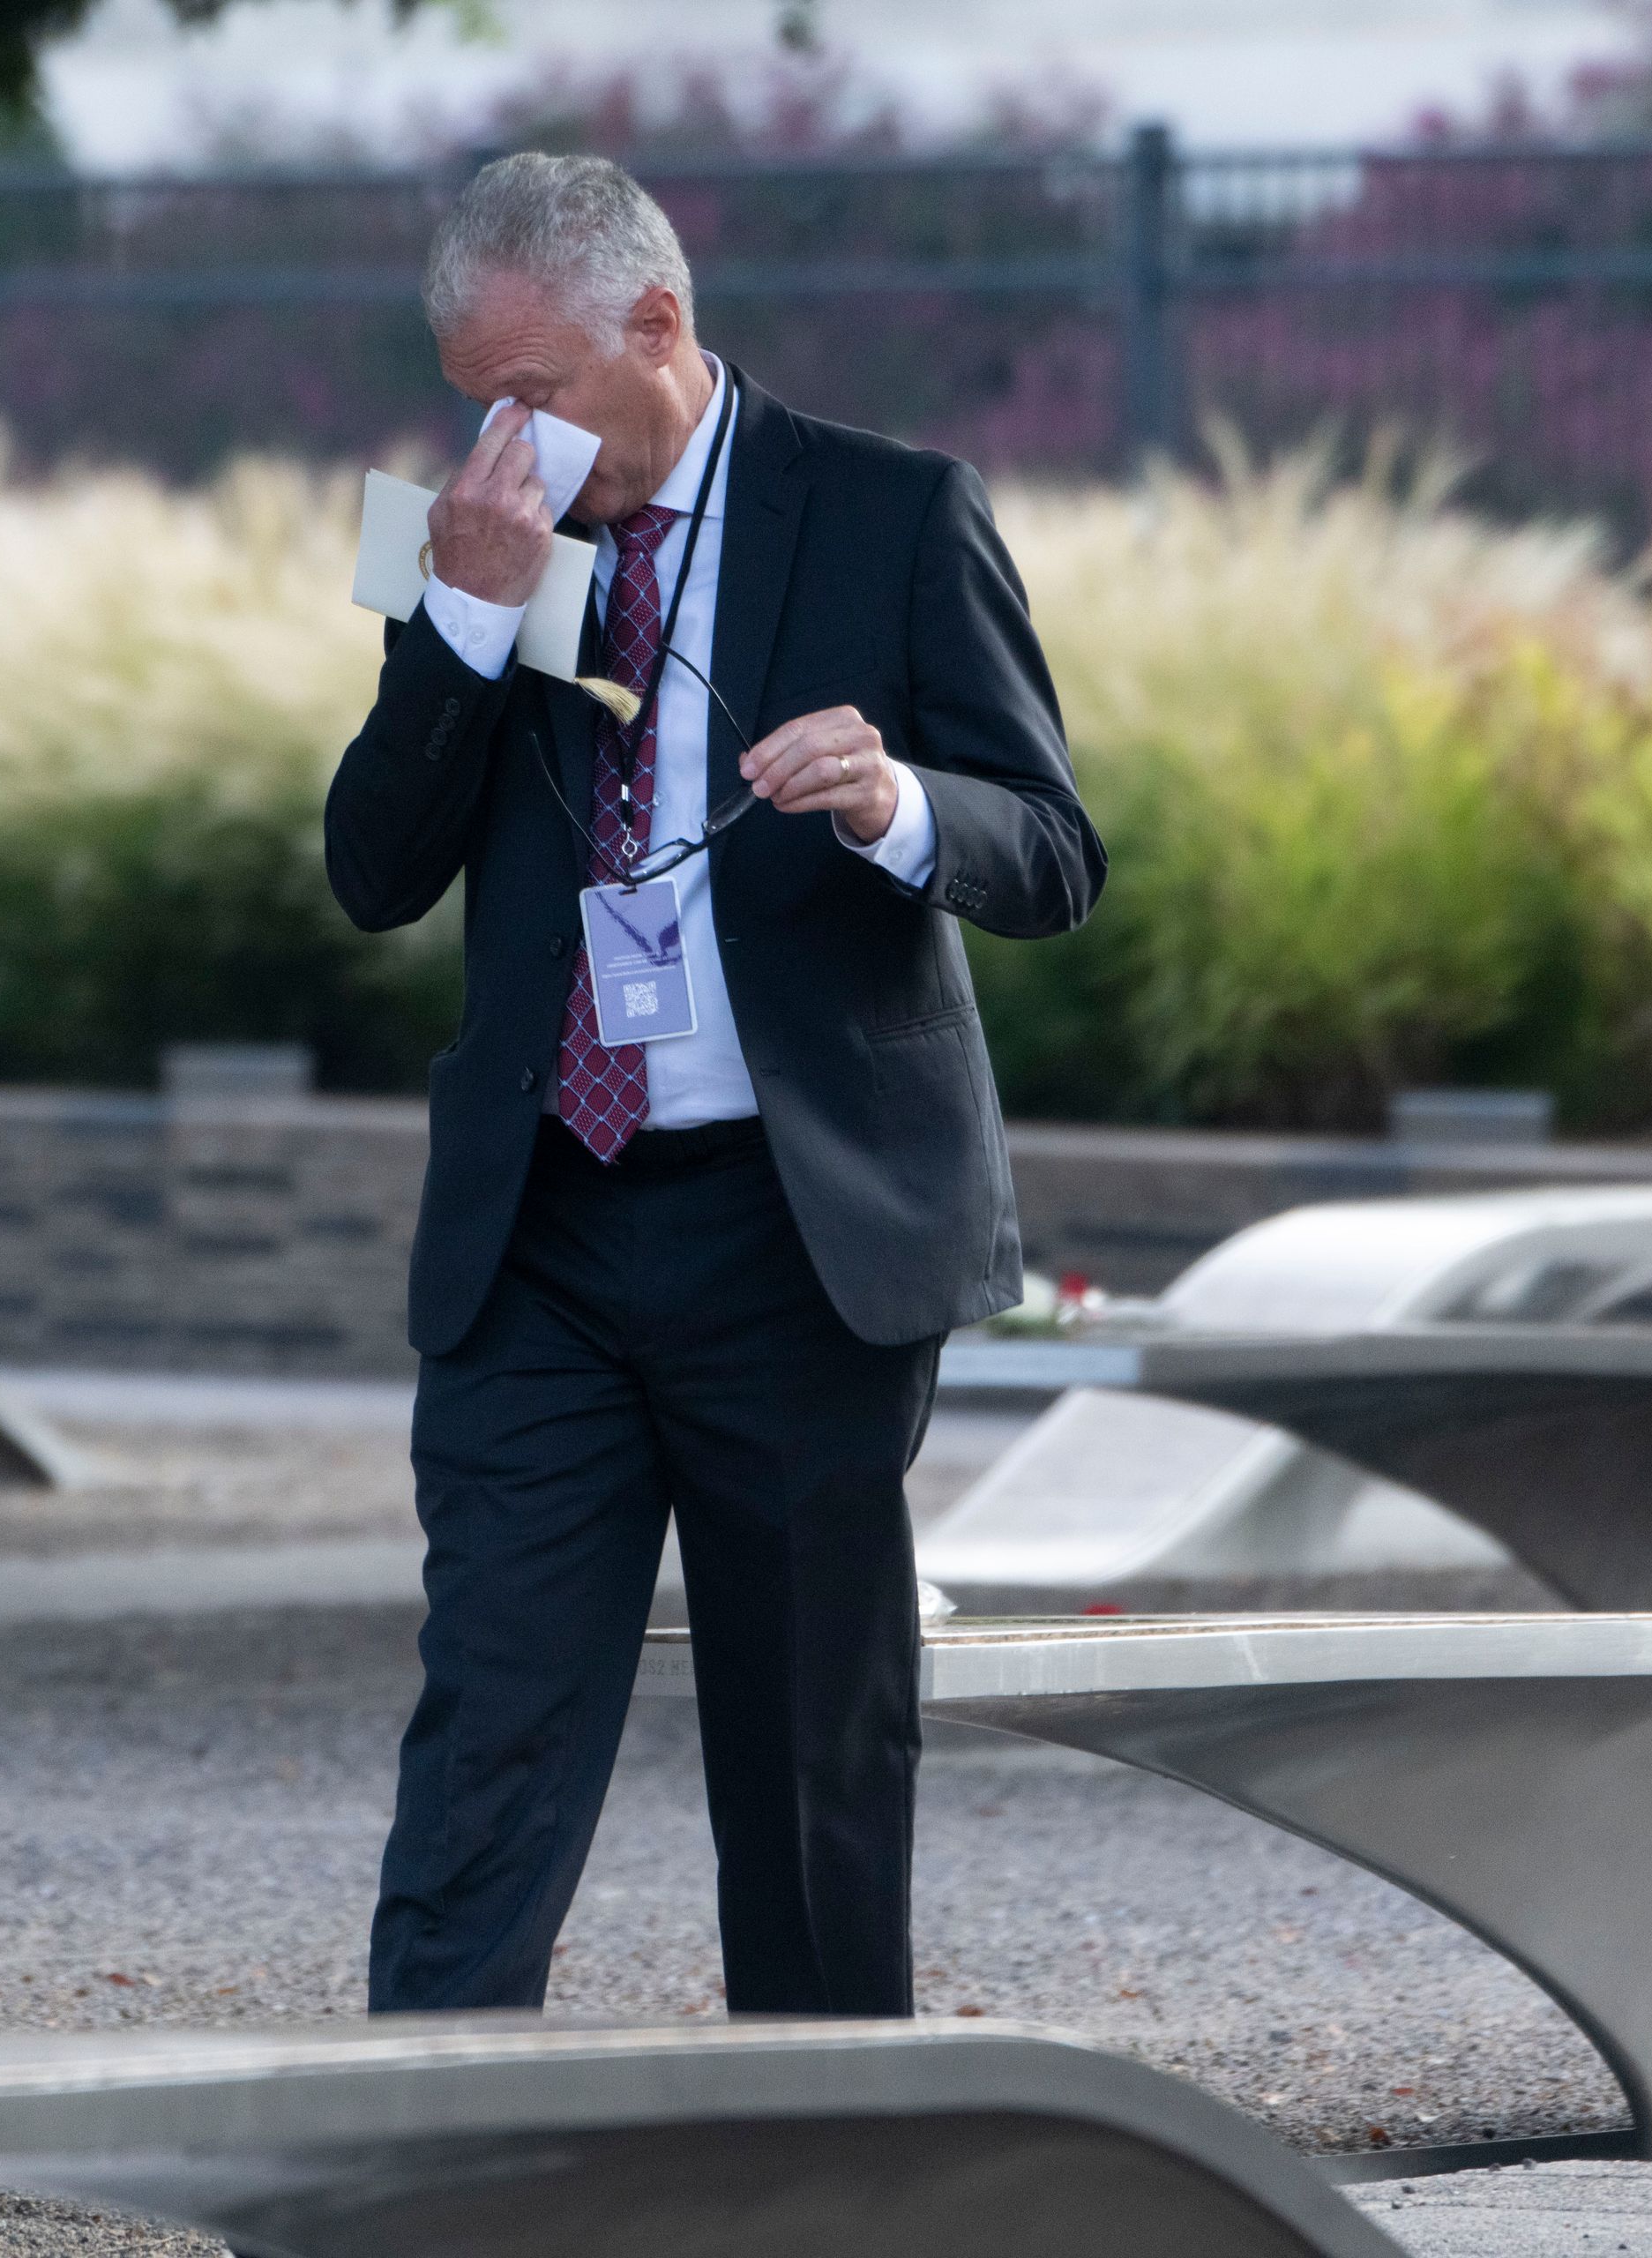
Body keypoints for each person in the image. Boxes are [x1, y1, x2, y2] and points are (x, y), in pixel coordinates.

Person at [330, 152, 1103, 2019]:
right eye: (475, 397)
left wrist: (900, 799)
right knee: (489, 1728)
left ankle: (824, 2178)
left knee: (807, 1750)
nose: (500, 435)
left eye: (534, 390)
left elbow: (1053, 849)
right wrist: (456, 621)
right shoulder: (480, 537)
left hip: (796, 1231)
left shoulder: (895, 514)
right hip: (544, 1237)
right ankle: (413, 2173)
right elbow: (376, 865)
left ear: (656, 324)